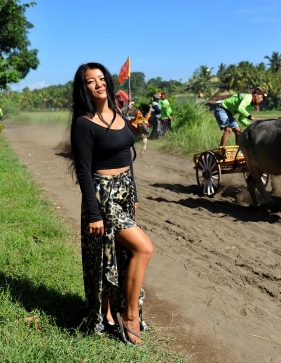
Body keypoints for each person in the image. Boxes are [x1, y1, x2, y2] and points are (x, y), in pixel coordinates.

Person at [67, 62, 154, 346]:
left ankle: (109, 312)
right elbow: (83, 171)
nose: (99, 84)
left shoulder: (118, 113)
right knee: (143, 247)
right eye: (91, 81)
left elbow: (127, 155)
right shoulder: (83, 123)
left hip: (124, 191)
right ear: (84, 88)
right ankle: (129, 314)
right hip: (103, 195)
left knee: (114, 254)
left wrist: (135, 193)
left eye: (101, 79)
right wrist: (93, 213)